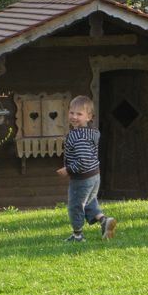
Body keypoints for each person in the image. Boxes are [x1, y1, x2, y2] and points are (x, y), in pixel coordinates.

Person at [56, 95, 117, 242]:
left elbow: (83, 160)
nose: (74, 117)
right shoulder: (91, 133)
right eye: (72, 113)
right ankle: (104, 221)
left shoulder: (78, 136)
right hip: (94, 176)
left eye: (79, 114)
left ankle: (77, 234)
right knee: (89, 201)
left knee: (75, 205)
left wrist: (68, 169)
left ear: (89, 117)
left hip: (82, 178)